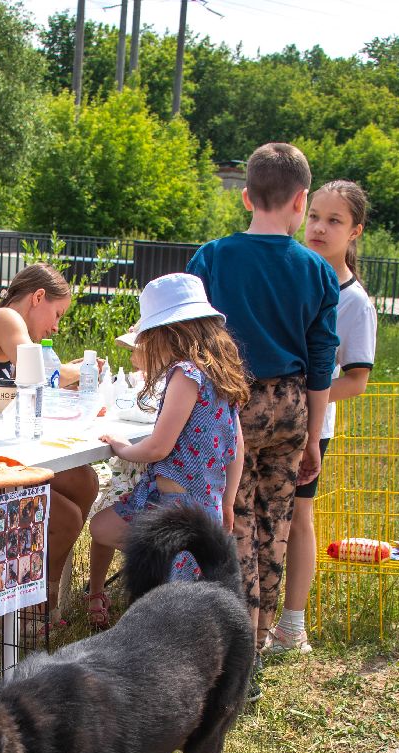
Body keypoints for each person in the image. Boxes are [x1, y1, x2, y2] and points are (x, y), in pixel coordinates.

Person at [187, 143, 339, 698]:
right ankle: (262, 639)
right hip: (292, 406)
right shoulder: (318, 270)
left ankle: (233, 658)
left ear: (247, 196)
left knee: (235, 526)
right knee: (276, 527)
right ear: (301, 201)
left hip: (230, 404)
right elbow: (322, 359)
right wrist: (315, 436)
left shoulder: (212, 258)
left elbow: (190, 336)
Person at [0, 263, 101, 631]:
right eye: (57, 314)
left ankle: (41, 598)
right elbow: (36, 374)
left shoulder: (8, 335)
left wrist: (68, 372)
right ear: (38, 297)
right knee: (66, 518)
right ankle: (20, 609)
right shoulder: (5, 318)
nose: (56, 327)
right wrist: (83, 371)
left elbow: (33, 382)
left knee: (85, 481)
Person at [85, 274, 248, 627]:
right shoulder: (220, 375)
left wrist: (121, 447)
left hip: (177, 506)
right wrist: (228, 501)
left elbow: (159, 446)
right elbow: (237, 446)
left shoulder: (185, 373)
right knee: (102, 526)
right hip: (198, 499)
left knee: (175, 602)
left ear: (166, 333)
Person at [263, 180, 378, 654]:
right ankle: (251, 616)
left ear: (355, 231)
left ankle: (293, 624)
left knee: (297, 518)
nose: (319, 228)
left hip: (308, 427)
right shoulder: (293, 274)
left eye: (334, 221)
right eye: (314, 216)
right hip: (263, 420)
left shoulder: (355, 302)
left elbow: (356, 379)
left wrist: (304, 398)